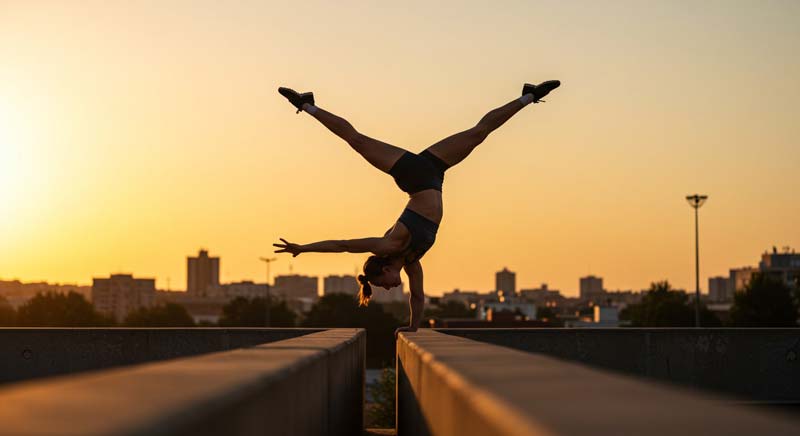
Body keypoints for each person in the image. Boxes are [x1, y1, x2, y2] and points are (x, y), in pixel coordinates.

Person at [273, 80, 560, 336]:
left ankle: (306, 105)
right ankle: (529, 96)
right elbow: (418, 297)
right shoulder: (412, 261)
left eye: (382, 283)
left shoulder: (388, 245)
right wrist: (413, 326)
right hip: (434, 172)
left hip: (412, 174)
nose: (387, 288)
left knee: (357, 141)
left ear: (383, 267)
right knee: (479, 133)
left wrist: (304, 248)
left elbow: (342, 245)